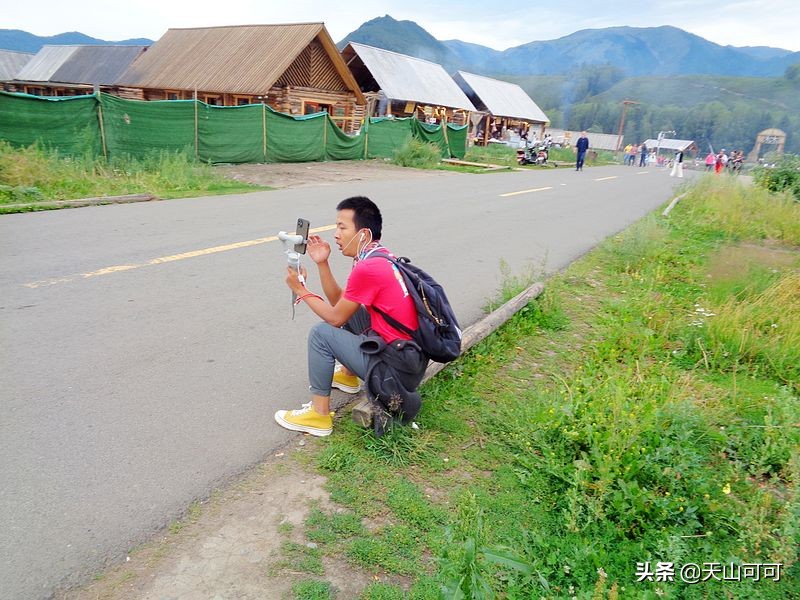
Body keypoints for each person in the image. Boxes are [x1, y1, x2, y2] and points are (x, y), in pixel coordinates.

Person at [275, 196, 427, 437]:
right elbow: (341, 305)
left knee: (321, 333)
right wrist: (322, 264)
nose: (336, 234)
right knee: (353, 314)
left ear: (363, 233)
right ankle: (347, 376)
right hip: (408, 360)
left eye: (342, 227)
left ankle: (319, 415)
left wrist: (300, 290)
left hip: (394, 373)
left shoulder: (368, 268)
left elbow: (335, 318)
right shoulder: (377, 256)